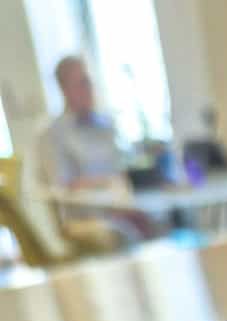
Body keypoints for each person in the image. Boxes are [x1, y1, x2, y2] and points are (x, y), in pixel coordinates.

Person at [37, 56, 152, 245]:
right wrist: (107, 183)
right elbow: (63, 185)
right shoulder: (52, 134)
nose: (89, 89)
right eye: (82, 83)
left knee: (160, 219)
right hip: (86, 218)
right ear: (64, 88)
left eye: (90, 82)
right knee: (125, 232)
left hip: (122, 206)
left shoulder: (106, 125)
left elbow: (122, 168)